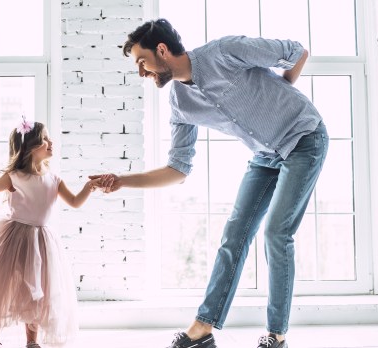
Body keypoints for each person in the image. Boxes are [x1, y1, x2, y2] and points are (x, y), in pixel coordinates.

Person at [91, 18, 329, 348]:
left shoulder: (224, 52)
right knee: (235, 234)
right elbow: (178, 169)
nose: (141, 73)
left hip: (304, 137)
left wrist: (283, 93)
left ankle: (276, 336)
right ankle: (203, 330)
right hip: (266, 155)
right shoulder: (180, 103)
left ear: (162, 50)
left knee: (276, 231)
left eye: (142, 62)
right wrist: (121, 181)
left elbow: (296, 52)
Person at [0, 117, 99, 348]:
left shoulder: (53, 179)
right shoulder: (14, 177)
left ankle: (31, 342)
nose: (51, 142)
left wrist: (89, 187)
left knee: (35, 292)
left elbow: (74, 201)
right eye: (45, 139)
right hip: (13, 240)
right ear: (30, 147)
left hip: (42, 243)